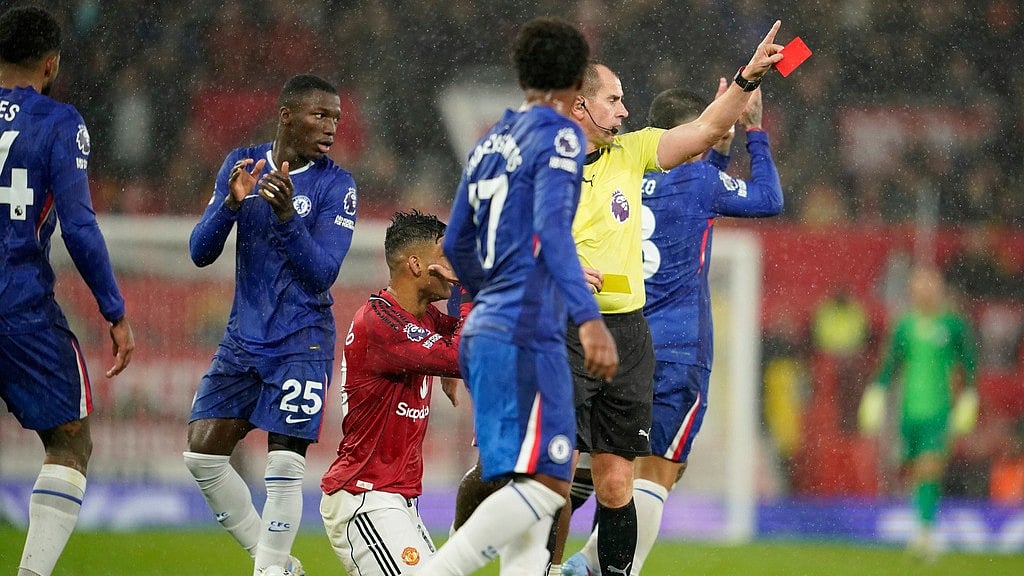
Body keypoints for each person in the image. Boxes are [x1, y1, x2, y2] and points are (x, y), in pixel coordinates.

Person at [546, 22, 785, 576]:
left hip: (617, 333)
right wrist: (753, 130)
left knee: (591, 469)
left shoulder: (634, 161)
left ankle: (565, 563)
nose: (623, 111)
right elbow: (765, 196)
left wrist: (740, 89)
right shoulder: (684, 177)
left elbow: (700, 145)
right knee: (651, 473)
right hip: (660, 343)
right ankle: (580, 566)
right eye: (613, 99)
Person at [417, 17, 618, 576]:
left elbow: (456, 239)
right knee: (553, 481)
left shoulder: (489, 142)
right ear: (577, 81)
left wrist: (491, 297)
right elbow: (554, 230)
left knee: (524, 489)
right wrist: (589, 320)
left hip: (489, 329)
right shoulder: (559, 135)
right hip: (529, 332)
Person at [184, 73, 357, 576]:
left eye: (336, 119)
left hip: (303, 340)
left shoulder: (337, 185)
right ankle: (281, 563)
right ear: (286, 116)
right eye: (319, 115)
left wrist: (286, 217)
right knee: (202, 456)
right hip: (243, 339)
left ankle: (268, 570)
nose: (330, 127)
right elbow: (199, 251)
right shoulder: (243, 164)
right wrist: (233, 204)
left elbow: (322, 272)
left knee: (284, 467)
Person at [0, 6, 136, 576]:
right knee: (70, 439)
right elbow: (78, 227)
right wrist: (114, 310)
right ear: (50, 64)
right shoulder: (58, 122)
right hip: (17, 304)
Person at [320, 210, 469, 575]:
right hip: (365, 495)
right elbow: (465, 354)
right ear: (417, 265)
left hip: (396, 498)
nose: (454, 267)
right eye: (446, 257)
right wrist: (469, 291)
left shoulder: (424, 318)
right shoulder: (380, 322)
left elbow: (482, 336)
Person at [859, 264, 978, 561]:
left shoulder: (953, 325)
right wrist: (876, 392)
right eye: (918, 285)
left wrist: (968, 398)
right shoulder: (904, 326)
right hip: (908, 410)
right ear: (912, 290)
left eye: (929, 284)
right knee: (914, 472)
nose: (924, 290)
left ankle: (926, 534)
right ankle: (924, 529)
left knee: (929, 467)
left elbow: (969, 363)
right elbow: (890, 364)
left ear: (939, 288)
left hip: (939, 409)